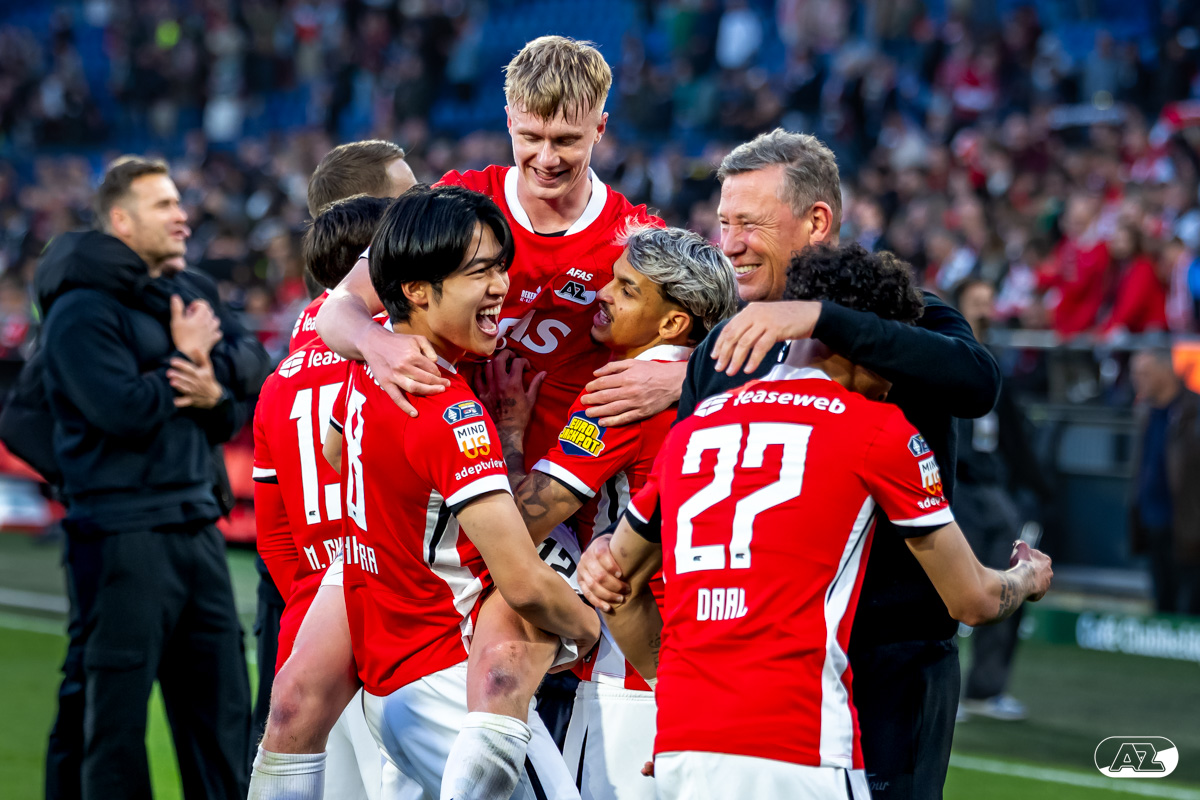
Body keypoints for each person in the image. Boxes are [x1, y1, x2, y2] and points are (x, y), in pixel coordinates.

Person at [578, 129, 1002, 800]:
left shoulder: (905, 317)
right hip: (755, 677)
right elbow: (680, 500)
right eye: (723, 223)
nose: (730, 244)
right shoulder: (723, 347)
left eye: (750, 223)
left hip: (887, 665)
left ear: (817, 222)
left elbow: (978, 382)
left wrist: (821, 319)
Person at [311, 35, 667, 755]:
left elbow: (711, 335)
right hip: (436, 496)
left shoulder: (636, 239)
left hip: (550, 504)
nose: (546, 157)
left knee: (504, 695)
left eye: (567, 140)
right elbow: (337, 310)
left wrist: (683, 371)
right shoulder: (459, 201)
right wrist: (381, 346)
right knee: (304, 701)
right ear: (508, 119)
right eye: (530, 136)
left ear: (601, 126)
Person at [338, 184, 599, 799]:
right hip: (451, 684)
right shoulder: (448, 408)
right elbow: (524, 584)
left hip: (389, 684)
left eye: (501, 267)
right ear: (416, 290)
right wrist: (590, 628)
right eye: (479, 272)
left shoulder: (370, 367)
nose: (501, 288)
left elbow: (333, 448)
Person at [479, 225, 738, 800]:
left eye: (626, 288)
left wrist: (510, 434)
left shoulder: (621, 395)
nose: (602, 293)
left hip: (630, 671)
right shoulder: (732, 390)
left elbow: (522, 521)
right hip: (718, 654)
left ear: (672, 323)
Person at [40, 156, 264, 799]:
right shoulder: (78, 311)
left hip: (197, 526)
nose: (181, 215)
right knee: (114, 722)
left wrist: (210, 391)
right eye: (164, 204)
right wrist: (189, 357)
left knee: (223, 712)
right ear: (120, 219)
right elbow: (122, 411)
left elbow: (249, 366)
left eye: (179, 202)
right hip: (121, 534)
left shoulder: (189, 290)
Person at [252, 194, 397, 800]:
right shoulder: (399, 358)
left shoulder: (279, 380)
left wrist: (315, 600)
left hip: (310, 629)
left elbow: (273, 536)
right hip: (396, 626)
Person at [953, 279, 1053, 721]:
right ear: (958, 307)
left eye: (990, 302)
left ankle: (986, 689)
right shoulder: (942, 358)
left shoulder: (994, 366)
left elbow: (1013, 434)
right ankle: (942, 691)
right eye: (977, 303)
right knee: (946, 591)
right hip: (954, 491)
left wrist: (1041, 488)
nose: (985, 310)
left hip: (994, 492)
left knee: (1009, 585)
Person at [1129, 348, 1200, 615]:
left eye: (1145, 373)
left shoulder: (1192, 409)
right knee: (1162, 601)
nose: (1137, 379)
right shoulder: (1146, 412)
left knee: (1190, 607)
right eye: (1135, 373)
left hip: (1188, 527)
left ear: (1166, 371)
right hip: (1153, 521)